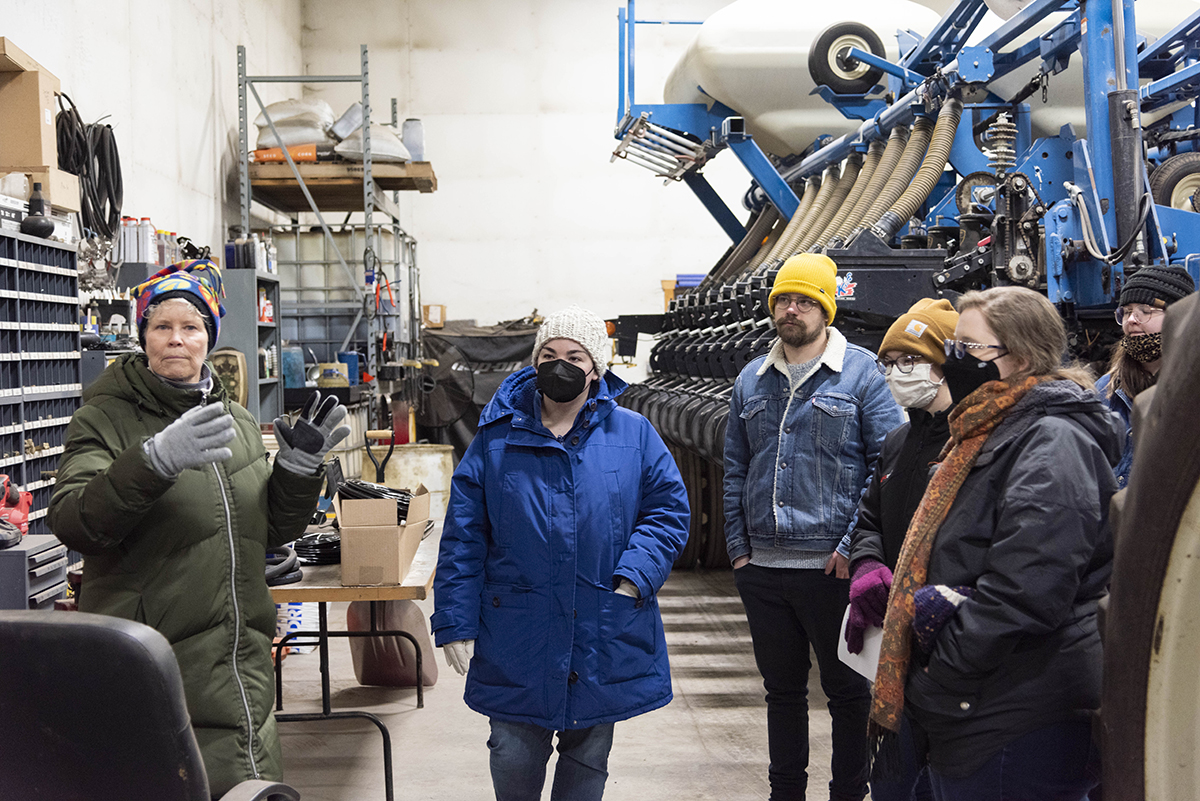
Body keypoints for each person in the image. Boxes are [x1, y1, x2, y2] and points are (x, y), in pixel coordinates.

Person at [49, 260, 350, 796]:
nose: (176, 340)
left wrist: (300, 471)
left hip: (239, 655)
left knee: (247, 779)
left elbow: (270, 527)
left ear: (209, 337)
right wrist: (154, 461)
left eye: (191, 327)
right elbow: (76, 523)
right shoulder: (103, 418)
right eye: (162, 326)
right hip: (157, 661)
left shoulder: (233, 419)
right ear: (142, 335)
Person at [870, 286, 1120, 801]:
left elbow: (1025, 591)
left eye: (970, 349)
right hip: (987, 700)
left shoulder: (1052, 442)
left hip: (1019, 706)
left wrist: (942, 679)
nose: (954, 360)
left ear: (1022, 355)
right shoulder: (988, 429)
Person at [431, 305, 690, 801]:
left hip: (602, 623)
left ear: (596, 366)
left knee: (588, 758)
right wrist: (456, 620)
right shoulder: (496, 439)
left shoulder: (634, 435)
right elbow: (465, 535)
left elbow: (668, 512)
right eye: (548, 354)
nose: (560, 364)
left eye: (574, 355)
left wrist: (634, 577)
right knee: (511, 753)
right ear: (533, 363)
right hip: (517, 633)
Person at [723, 253, 905, 801]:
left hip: (831, 567)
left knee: (849, 695)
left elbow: (889, 466)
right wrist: (738, 549)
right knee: (781, 694)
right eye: (782, 299)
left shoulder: (862, 373)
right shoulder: (750, 380)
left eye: (803, 300)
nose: (791, 309)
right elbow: (735, 467)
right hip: (763, 569)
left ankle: (849, 793)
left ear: (826, 308)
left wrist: (853, 545)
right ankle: (786, 794)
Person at [844, 298, 959, 801]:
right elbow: (871, 517)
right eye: (889, 363)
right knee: (895, 778)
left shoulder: (971, 441)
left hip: (949, 639)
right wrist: (868, 564)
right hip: (896, 644)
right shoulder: (898, 441)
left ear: (946, 363)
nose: (896, 374)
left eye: (909, 362)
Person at [1095, 265, 1196, 488]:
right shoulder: (1105, 390)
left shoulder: (1192, 391)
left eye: (1145, 310)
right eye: (1127, 311)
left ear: (1178, 317)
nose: (1132, 319)